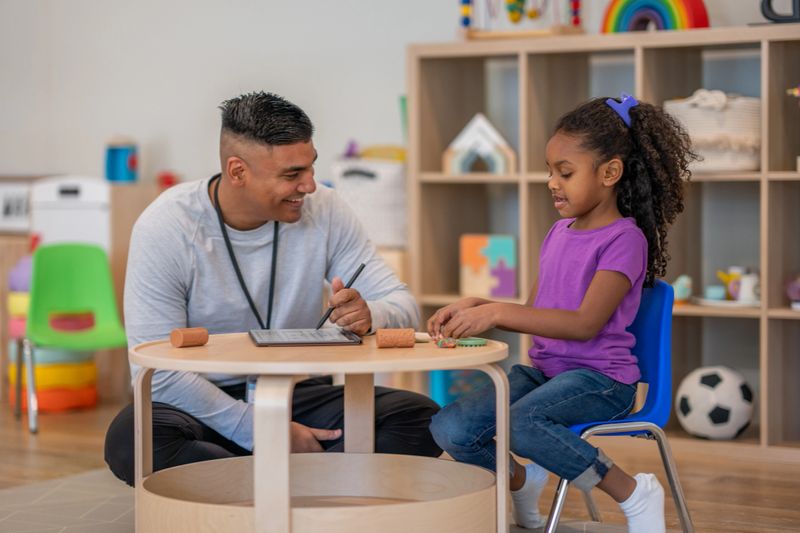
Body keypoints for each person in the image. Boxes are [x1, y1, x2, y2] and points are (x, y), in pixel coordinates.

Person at [104, 91, 441, 486]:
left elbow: (404, 305)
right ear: (237, 171)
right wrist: (262, 431)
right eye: (291, 175)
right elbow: (154, 370)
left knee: (425, 420)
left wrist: (371, 316)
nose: (311, 185)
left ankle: (254, 486)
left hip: (297, 391)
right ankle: (307, 481)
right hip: (203, 399)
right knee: (133, 441)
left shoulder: (327, 210)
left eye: (311, 167)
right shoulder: (166, 226)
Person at [427, 93, 696, 532]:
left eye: (565, 172)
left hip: (602, 380)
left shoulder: (625, 240)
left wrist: (496, 312)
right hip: (547, 373)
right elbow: (536, 313)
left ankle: (633, 491)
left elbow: (584, 324)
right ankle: (521, 480)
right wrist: (479, 304)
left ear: (610, 173)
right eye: (550, 170)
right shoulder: (557, 232)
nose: (552, 182)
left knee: (522, 422)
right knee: (451, 427)